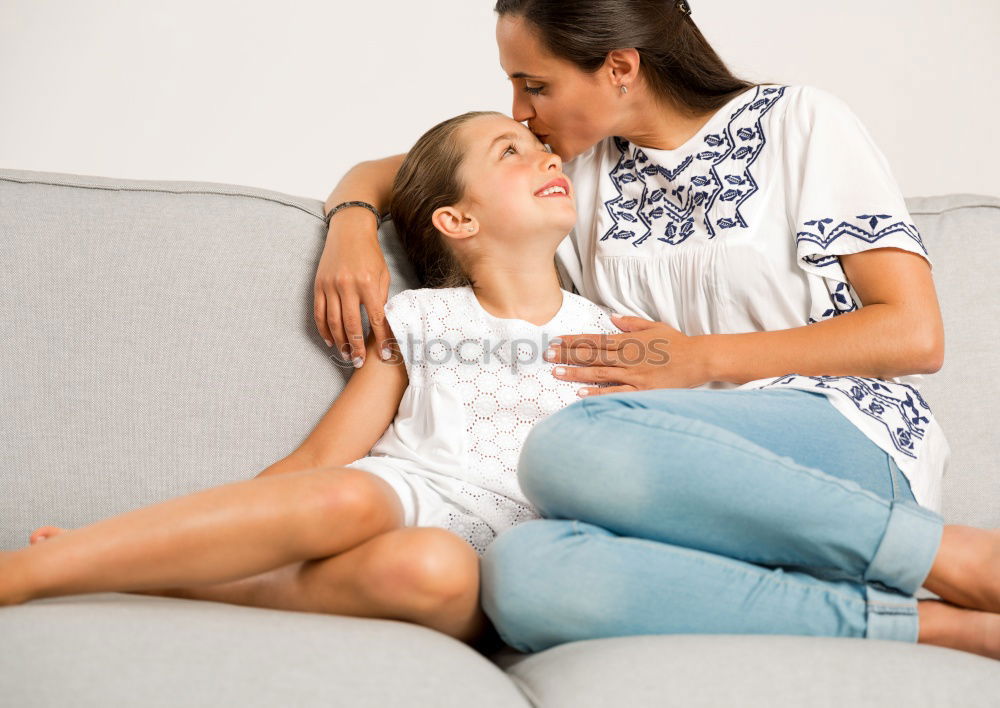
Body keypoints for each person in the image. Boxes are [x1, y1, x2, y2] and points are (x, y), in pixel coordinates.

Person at [312, 0, 999, 660]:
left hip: (840, 440)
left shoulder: (801, 124)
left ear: (618, 68)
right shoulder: (572, 176)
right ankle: (919, 627)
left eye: (536, 85)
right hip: (674, 490)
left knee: (570, 450)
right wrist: (349, 222)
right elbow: (406, 174)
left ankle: (949, 557)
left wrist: (701, 360)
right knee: (522, 573)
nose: (521, 111)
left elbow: (913, 334)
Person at [0, 110, 622, 655]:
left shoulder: (616, 338)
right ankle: (43, 568)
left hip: (495, 553)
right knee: (345, 494)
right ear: (457, 219)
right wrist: (237, 525)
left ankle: (163, 578)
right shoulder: (423, 318)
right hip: (404, 496)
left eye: (538, 148)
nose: (544, 154)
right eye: (509, 151)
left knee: (436, 571)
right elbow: (322, 456)